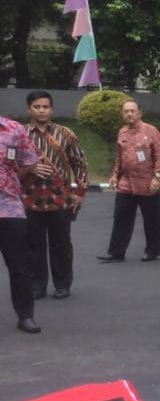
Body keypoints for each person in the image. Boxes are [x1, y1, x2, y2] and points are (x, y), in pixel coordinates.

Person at [22, 90, 86, 300]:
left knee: (61, 244)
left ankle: (62, 284)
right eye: (37, 107)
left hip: (61, 198)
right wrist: (30, 169)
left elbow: (80, 163)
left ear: (51, 109)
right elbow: (9, 166)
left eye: (45, 106)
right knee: (33, 245)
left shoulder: (65, 134)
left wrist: (80, 192)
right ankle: (37, 285)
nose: (41, 110)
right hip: (29, 200)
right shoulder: (19, 134)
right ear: (28, 109)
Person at [100, 100, 160, 263]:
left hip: (147, 182)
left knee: (152, 219)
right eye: (126, 111)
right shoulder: (122, 132)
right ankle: (116, 252)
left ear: (139, 113)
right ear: (122, 114)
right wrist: (115, 175)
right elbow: (119, 158)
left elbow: (159, 157)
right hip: (126, 183)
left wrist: (157, 178)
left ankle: (152, 251)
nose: (129, 114)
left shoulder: (151, 131)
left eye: (132, 111)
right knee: (121, 217)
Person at [1, 115, 43, 333]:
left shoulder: (13, 129)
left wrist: (10, 178)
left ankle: (26, 316)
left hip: (9, 207)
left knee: (19, 266)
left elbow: (30, 160)